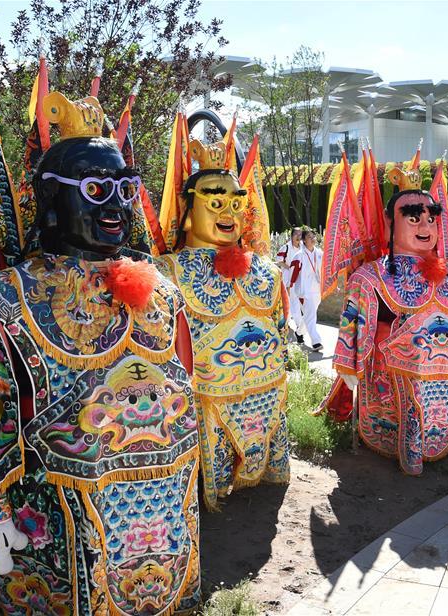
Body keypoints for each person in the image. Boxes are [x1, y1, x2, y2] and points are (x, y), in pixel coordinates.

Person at [0, 82, 202, 613]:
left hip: (164, 515)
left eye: (125, 188)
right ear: (51, 198)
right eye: (94, 189)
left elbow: (187, 380)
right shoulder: (4, 301)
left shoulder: (163, 290)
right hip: (62, 525)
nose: (115, 205)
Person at [156, 128, 290, 511]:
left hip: (266, 392)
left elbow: (280, 329)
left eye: (235, 203)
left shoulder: (266, 269)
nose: (229, 213)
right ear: (186, 214)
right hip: (205, 401)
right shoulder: (167, 272)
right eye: (215, 204)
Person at [325, 165, 448, 475]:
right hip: (394, 371)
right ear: (392, 225)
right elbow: (351, 322)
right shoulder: (370, 276)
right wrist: (348, 364)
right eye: (414, 218)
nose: (425, 226)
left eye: (431, 219)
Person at [291, 228, 323, 352]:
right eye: (310, 237)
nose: (313, 239)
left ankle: (299, 332)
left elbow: (325, 270)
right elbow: (293, 274)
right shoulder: (299, 255)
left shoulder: (320, 253)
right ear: (304, 240)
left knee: (309, 315)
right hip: (304, 291)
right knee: (311, 315)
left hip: (317, 289)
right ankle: (316, 341)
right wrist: (290, 286)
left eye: (313, 236)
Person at [276, 227, 304, 343]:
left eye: (300, 234)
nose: (298, 236)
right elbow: (278, 260)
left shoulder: (303, 247)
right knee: (293, 303)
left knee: (296, 304)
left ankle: (294, 326)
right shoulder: (286, 247)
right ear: (292, 236)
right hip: (289, 278)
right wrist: (289, 268)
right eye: (296, 234)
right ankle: (298, 330)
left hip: (300, 279)